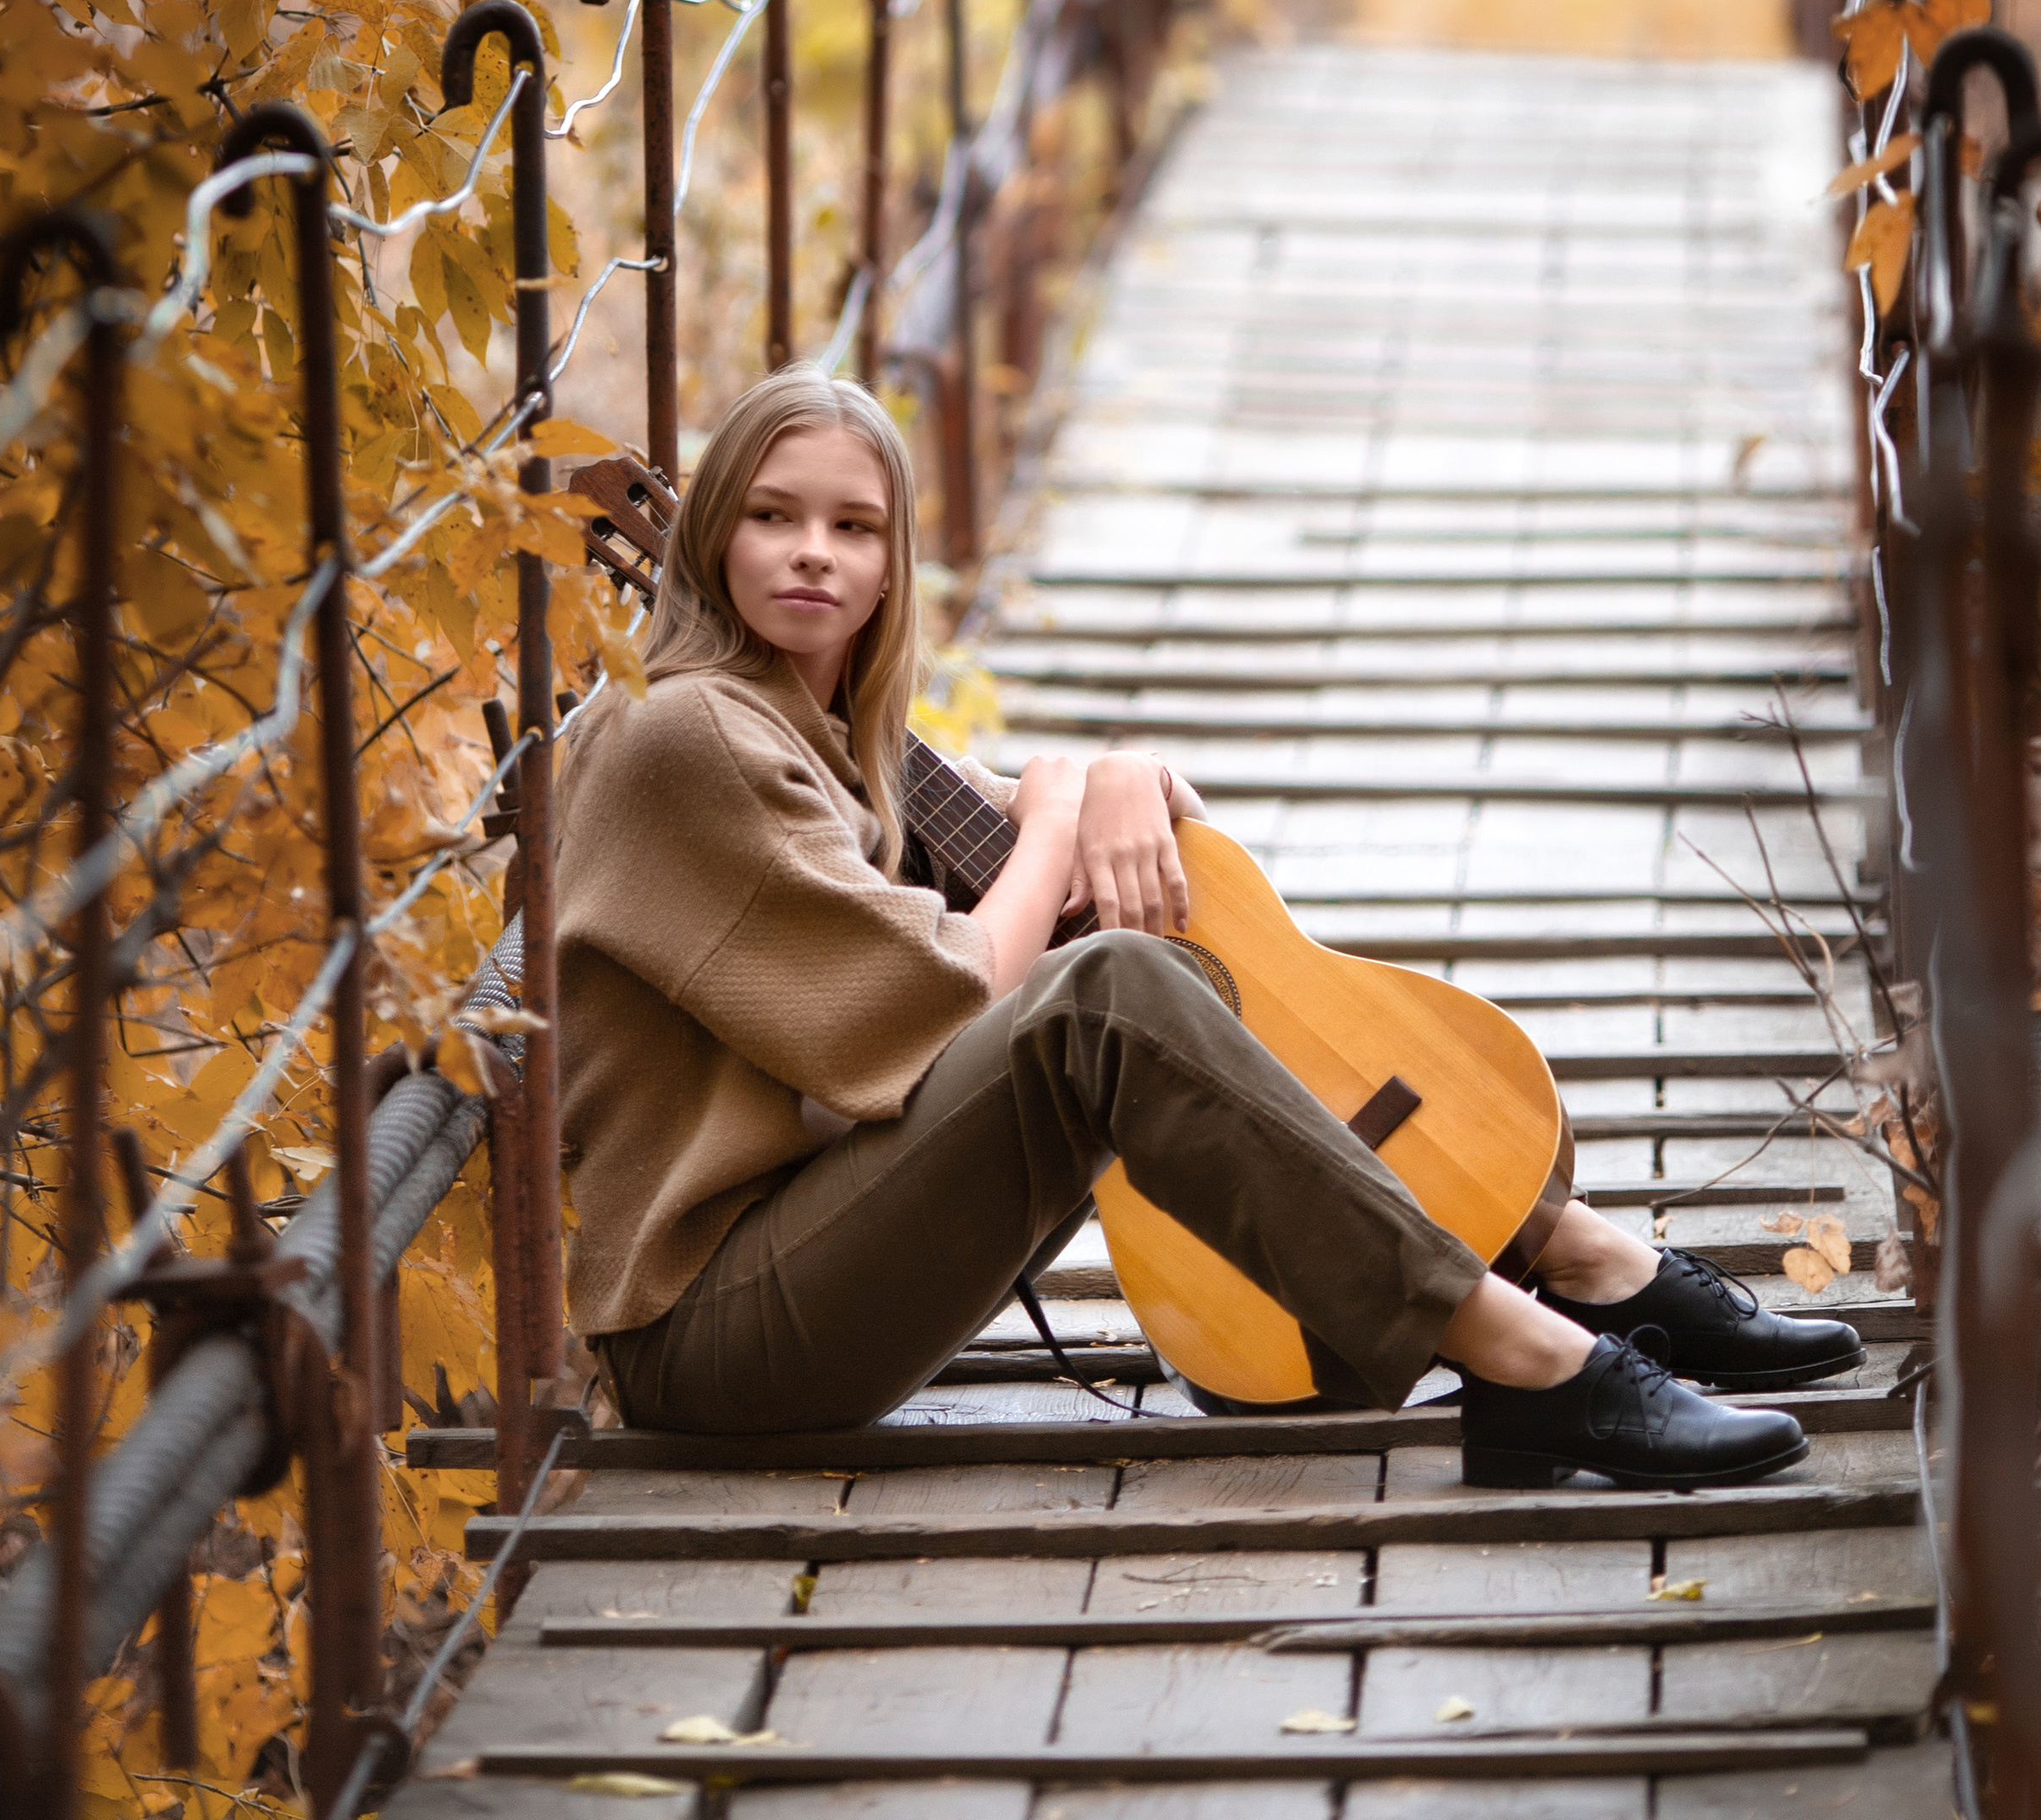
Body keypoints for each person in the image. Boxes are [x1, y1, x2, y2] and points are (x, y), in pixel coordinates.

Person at [553, 368, 1860, 1484]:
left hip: (808, 1268)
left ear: (896, 562)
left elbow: (1086, 834)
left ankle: (1562, 1259)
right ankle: (1530, 1351)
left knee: (1141, 941)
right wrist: (1066, 803)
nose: (813, 552)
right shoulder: (687, 734)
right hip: (711, 1334)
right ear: (709, 535)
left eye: (855, 524)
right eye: (772, 517)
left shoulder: (815, 735)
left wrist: (1115, 775)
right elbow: (950, 993)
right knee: (1109, 987)